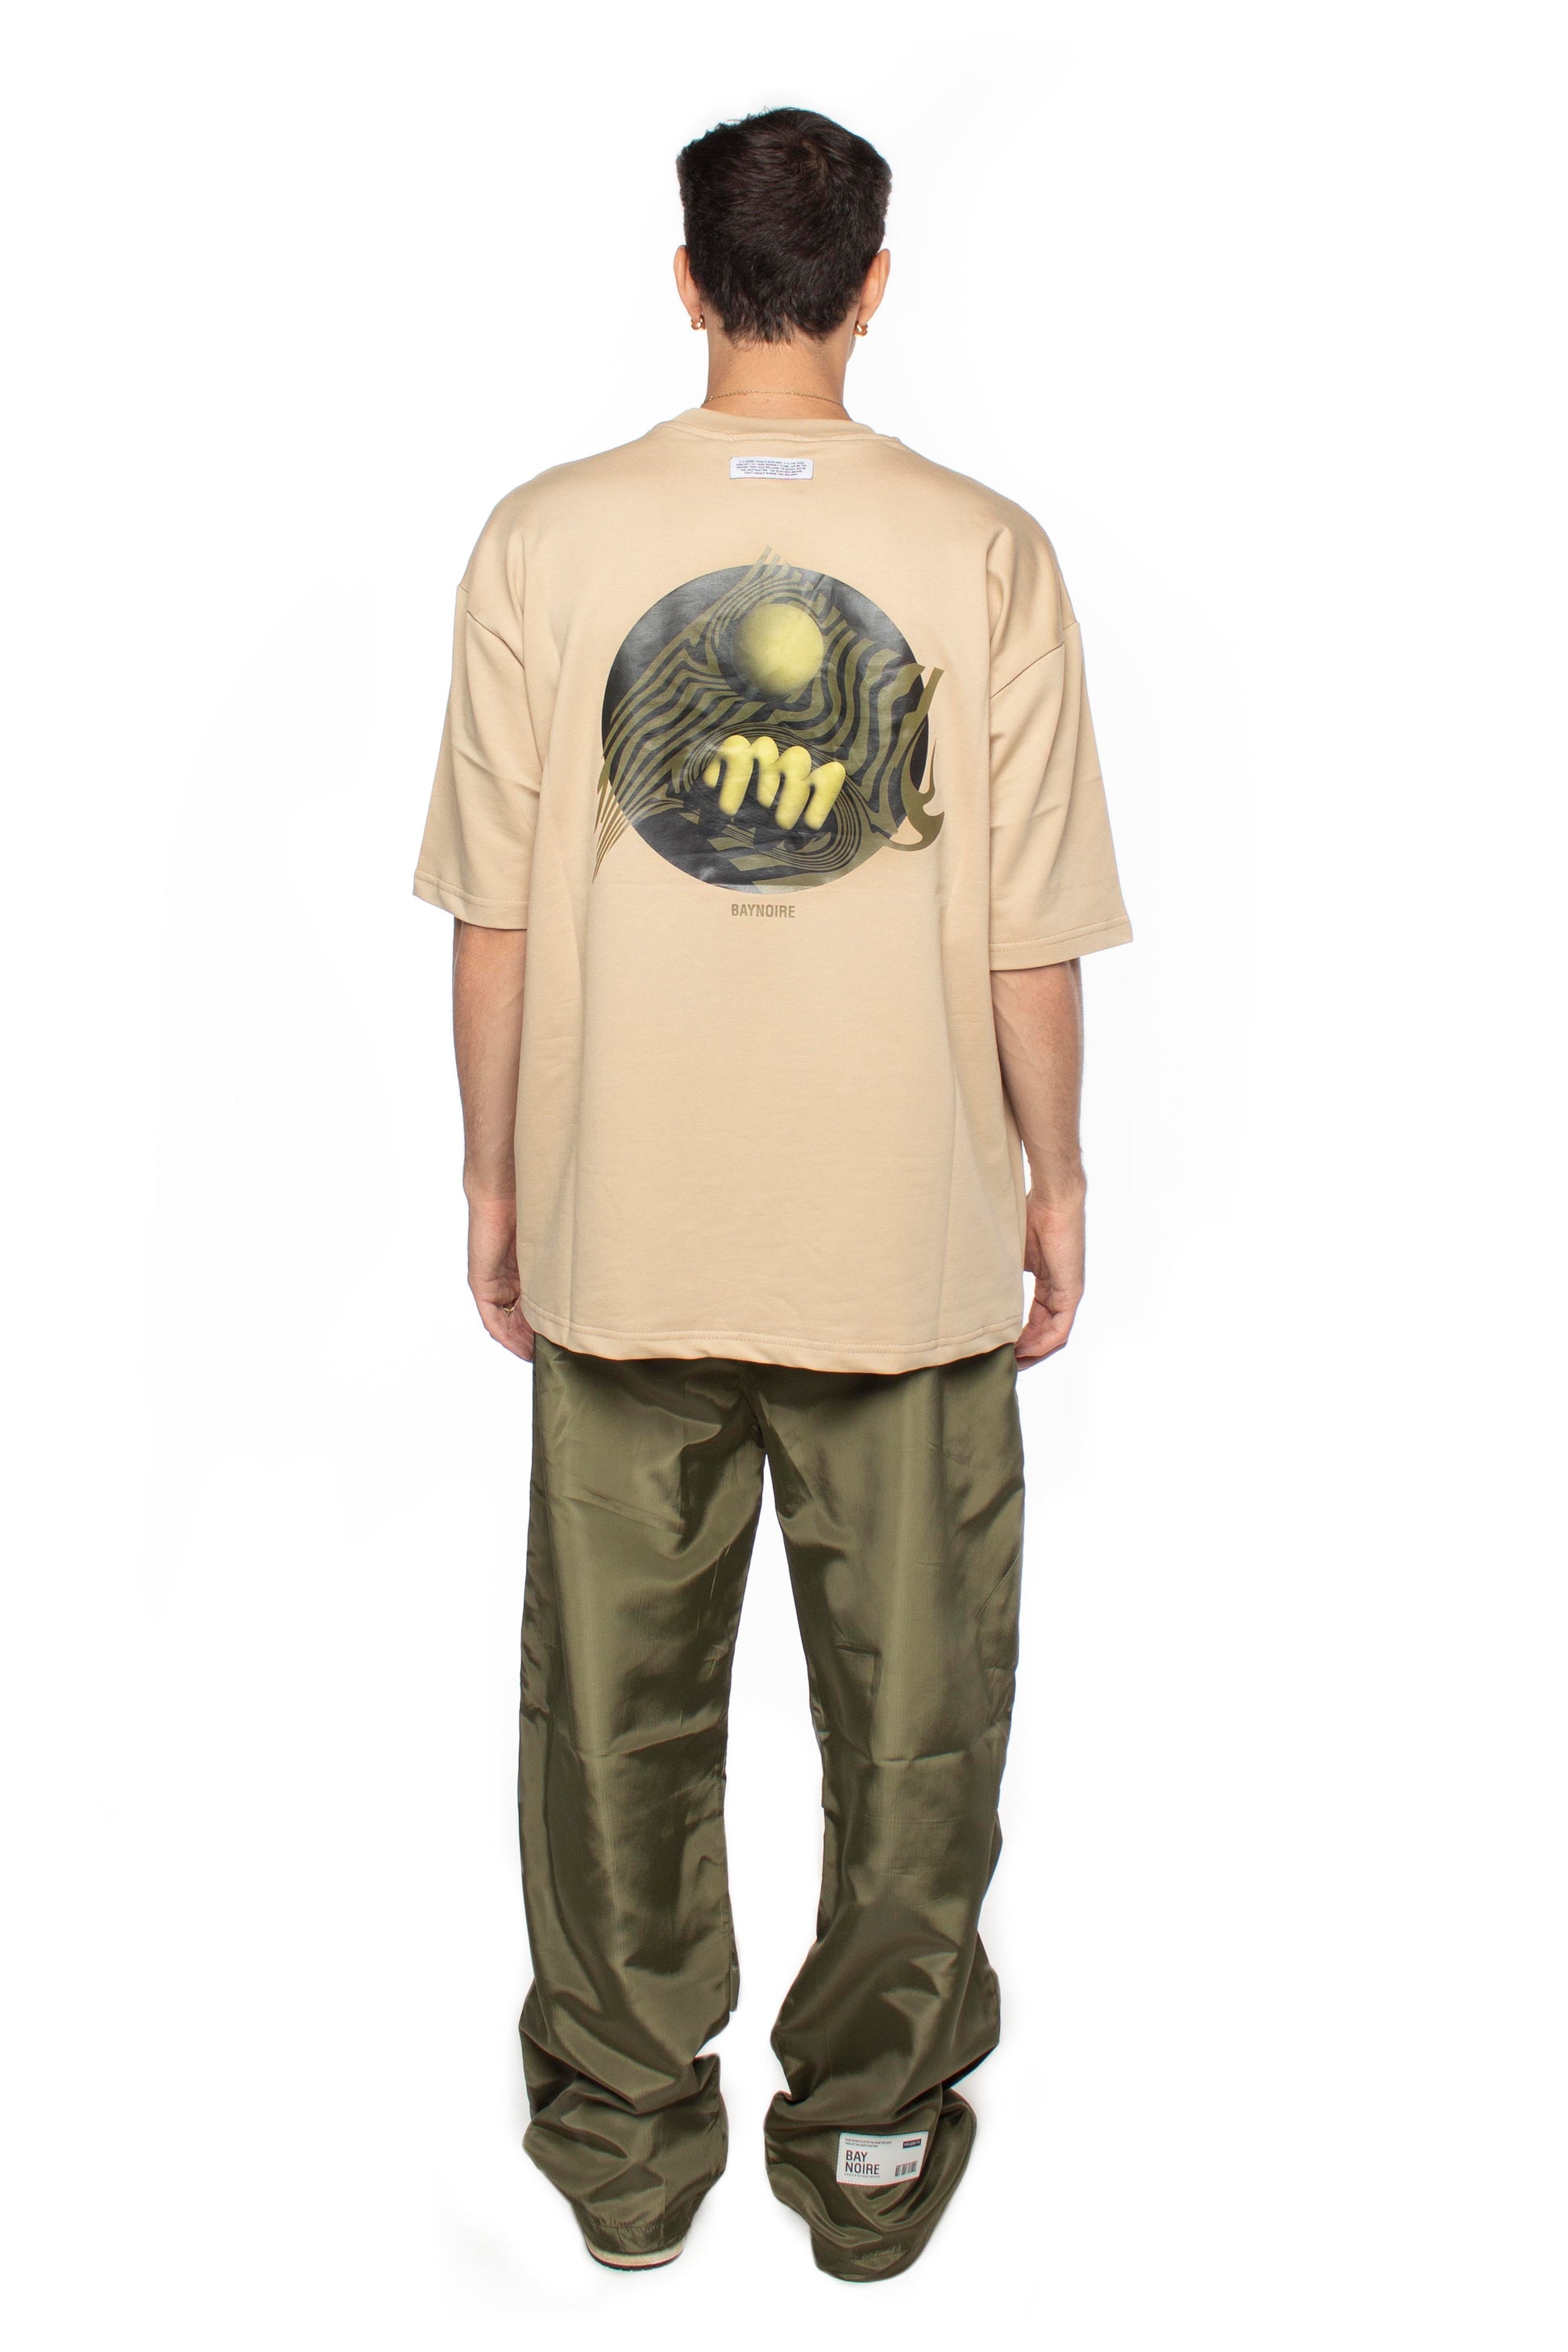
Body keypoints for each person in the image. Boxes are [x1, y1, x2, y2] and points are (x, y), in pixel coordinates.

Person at [413, 106, 1131, 2283]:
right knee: (916, 1719)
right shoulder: (985, 551)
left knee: (606, 1717)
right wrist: (1058, 1178)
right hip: (901, 1245)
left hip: (622, 1225)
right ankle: (872, 2134)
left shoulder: (543, 540)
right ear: (874, 285)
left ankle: (624, 2145)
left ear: (685, 275)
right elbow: (1027, 935)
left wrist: (494, 1179)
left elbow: (494, 921)